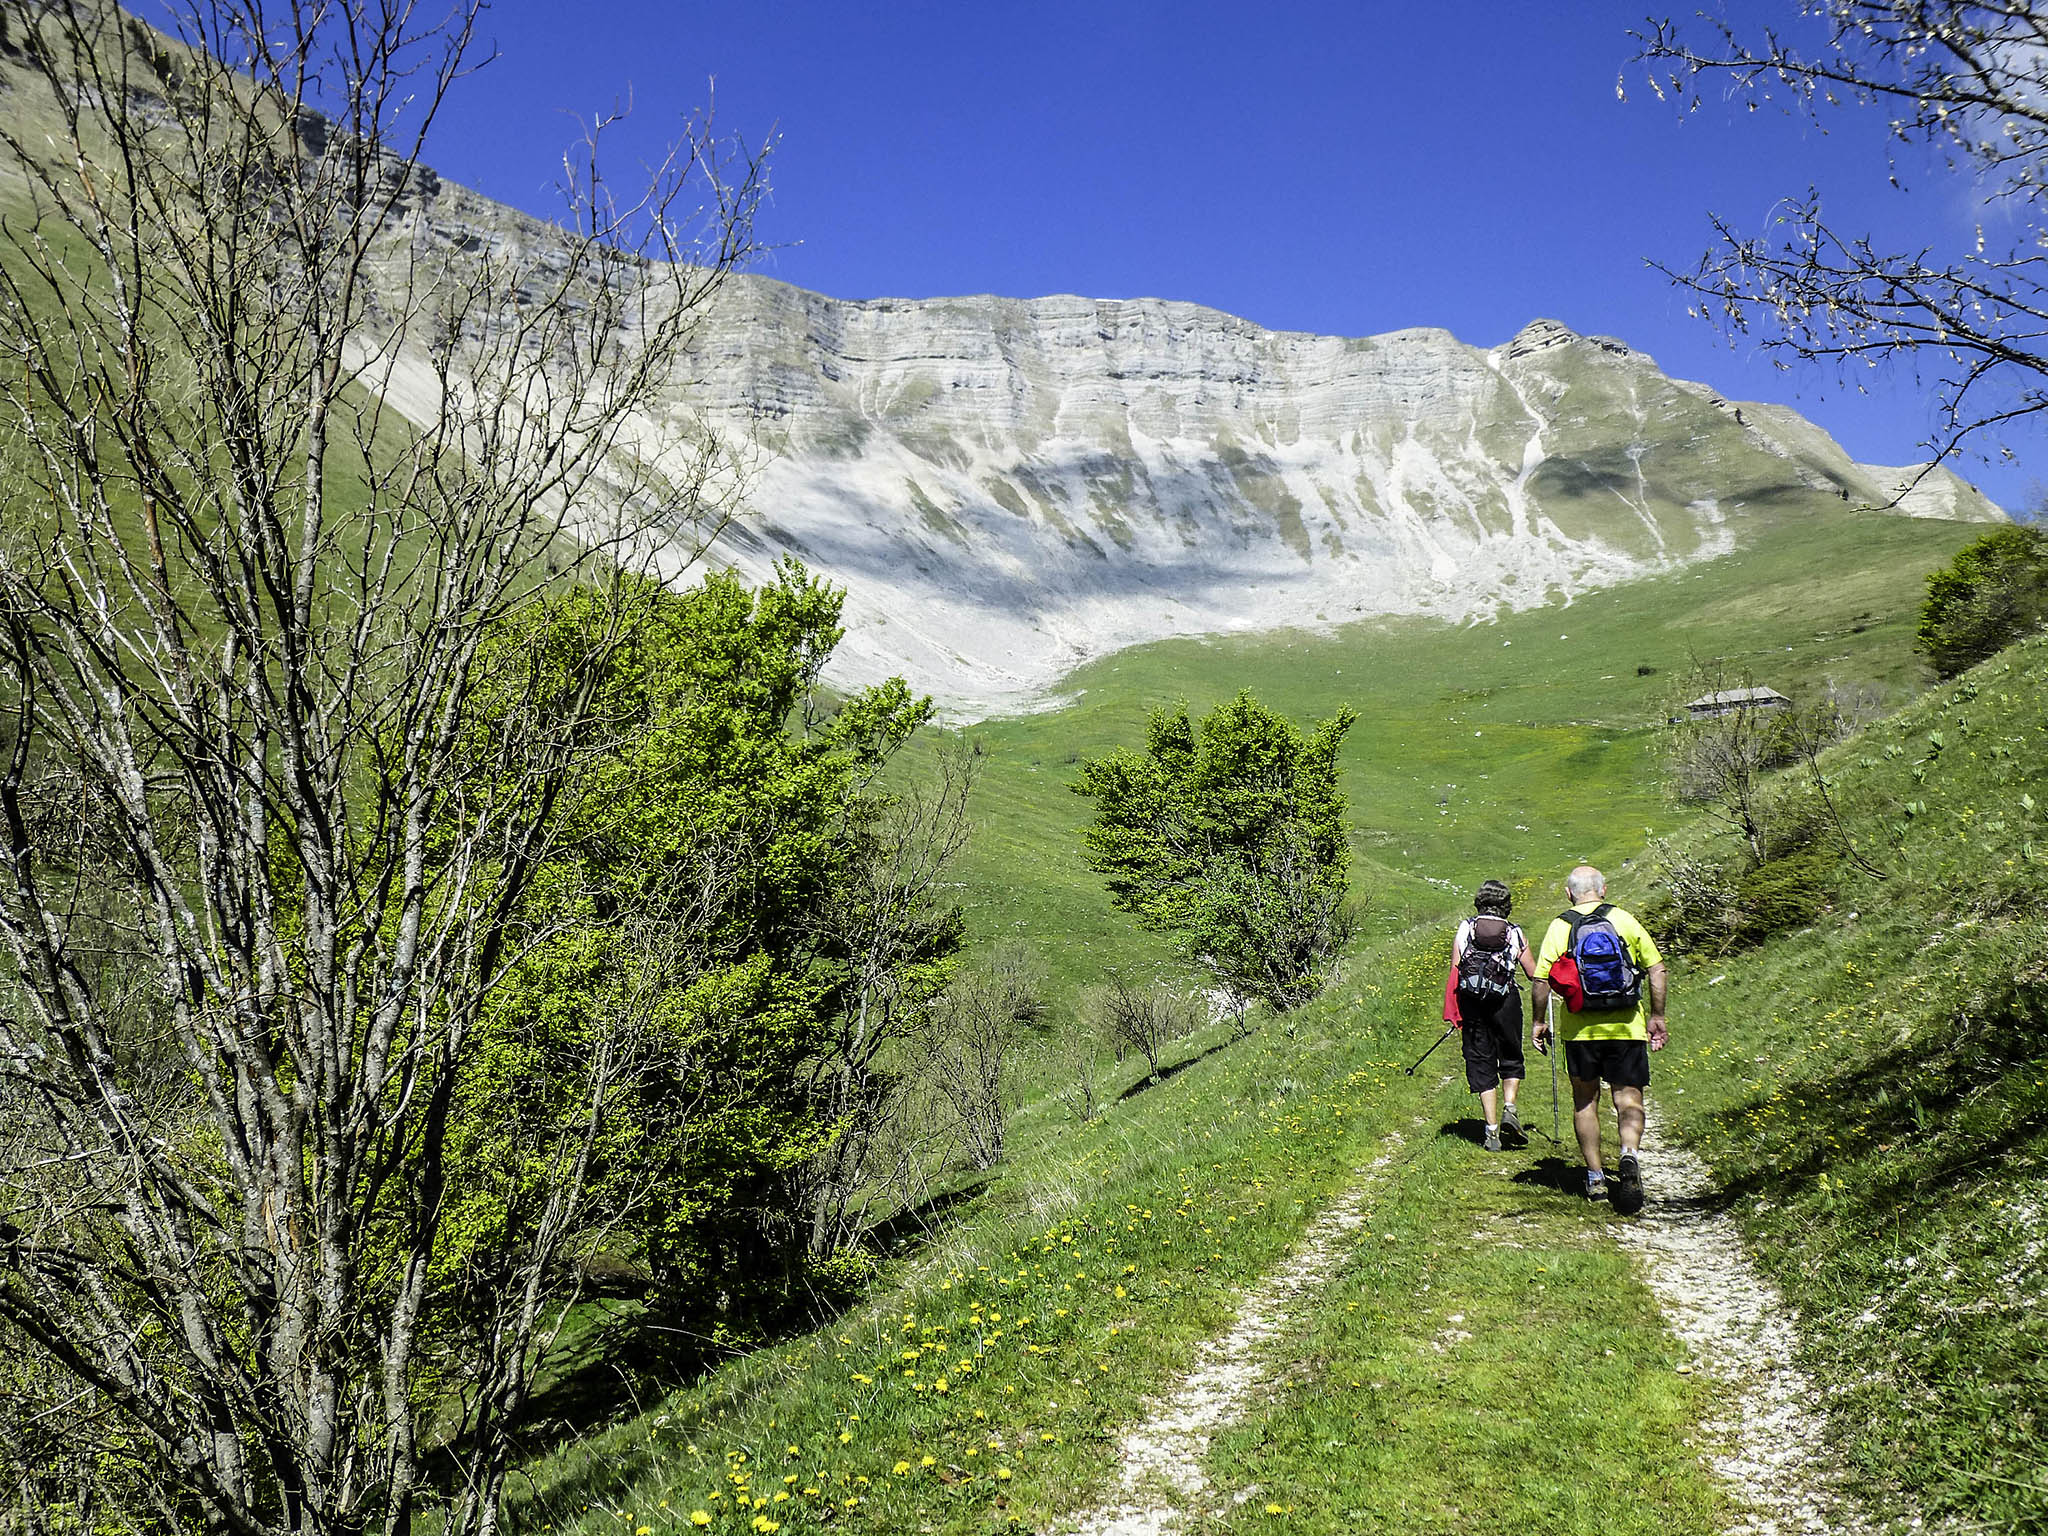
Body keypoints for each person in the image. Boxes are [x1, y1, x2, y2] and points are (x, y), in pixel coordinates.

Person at [1531, 865, 1668, 1214]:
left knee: (1584, 1102)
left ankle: (1594, 1178)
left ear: (1568, 894)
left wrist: (1537, 1021)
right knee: (1628, 1098)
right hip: (1626, 1027)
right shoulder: (1624, 920)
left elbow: (1541, 979)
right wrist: (1657, 1016)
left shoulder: (1561, 926)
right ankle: (1628, 1154)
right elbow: (1656, 968)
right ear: (1603, 889)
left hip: (1580, 1031)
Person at [1445, 879, 1540, 1152]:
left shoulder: (1466, 928)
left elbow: (1455, 970)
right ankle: (1510, 1108)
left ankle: (1491, 1131)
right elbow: (1533, 973)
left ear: (1479, 902)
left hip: (1472, 1002)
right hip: (1505, 1001)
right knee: (1510, 1054)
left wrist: (1453, 1011)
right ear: (1506, 905)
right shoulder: (1515, 933)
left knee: (1480, 1060)